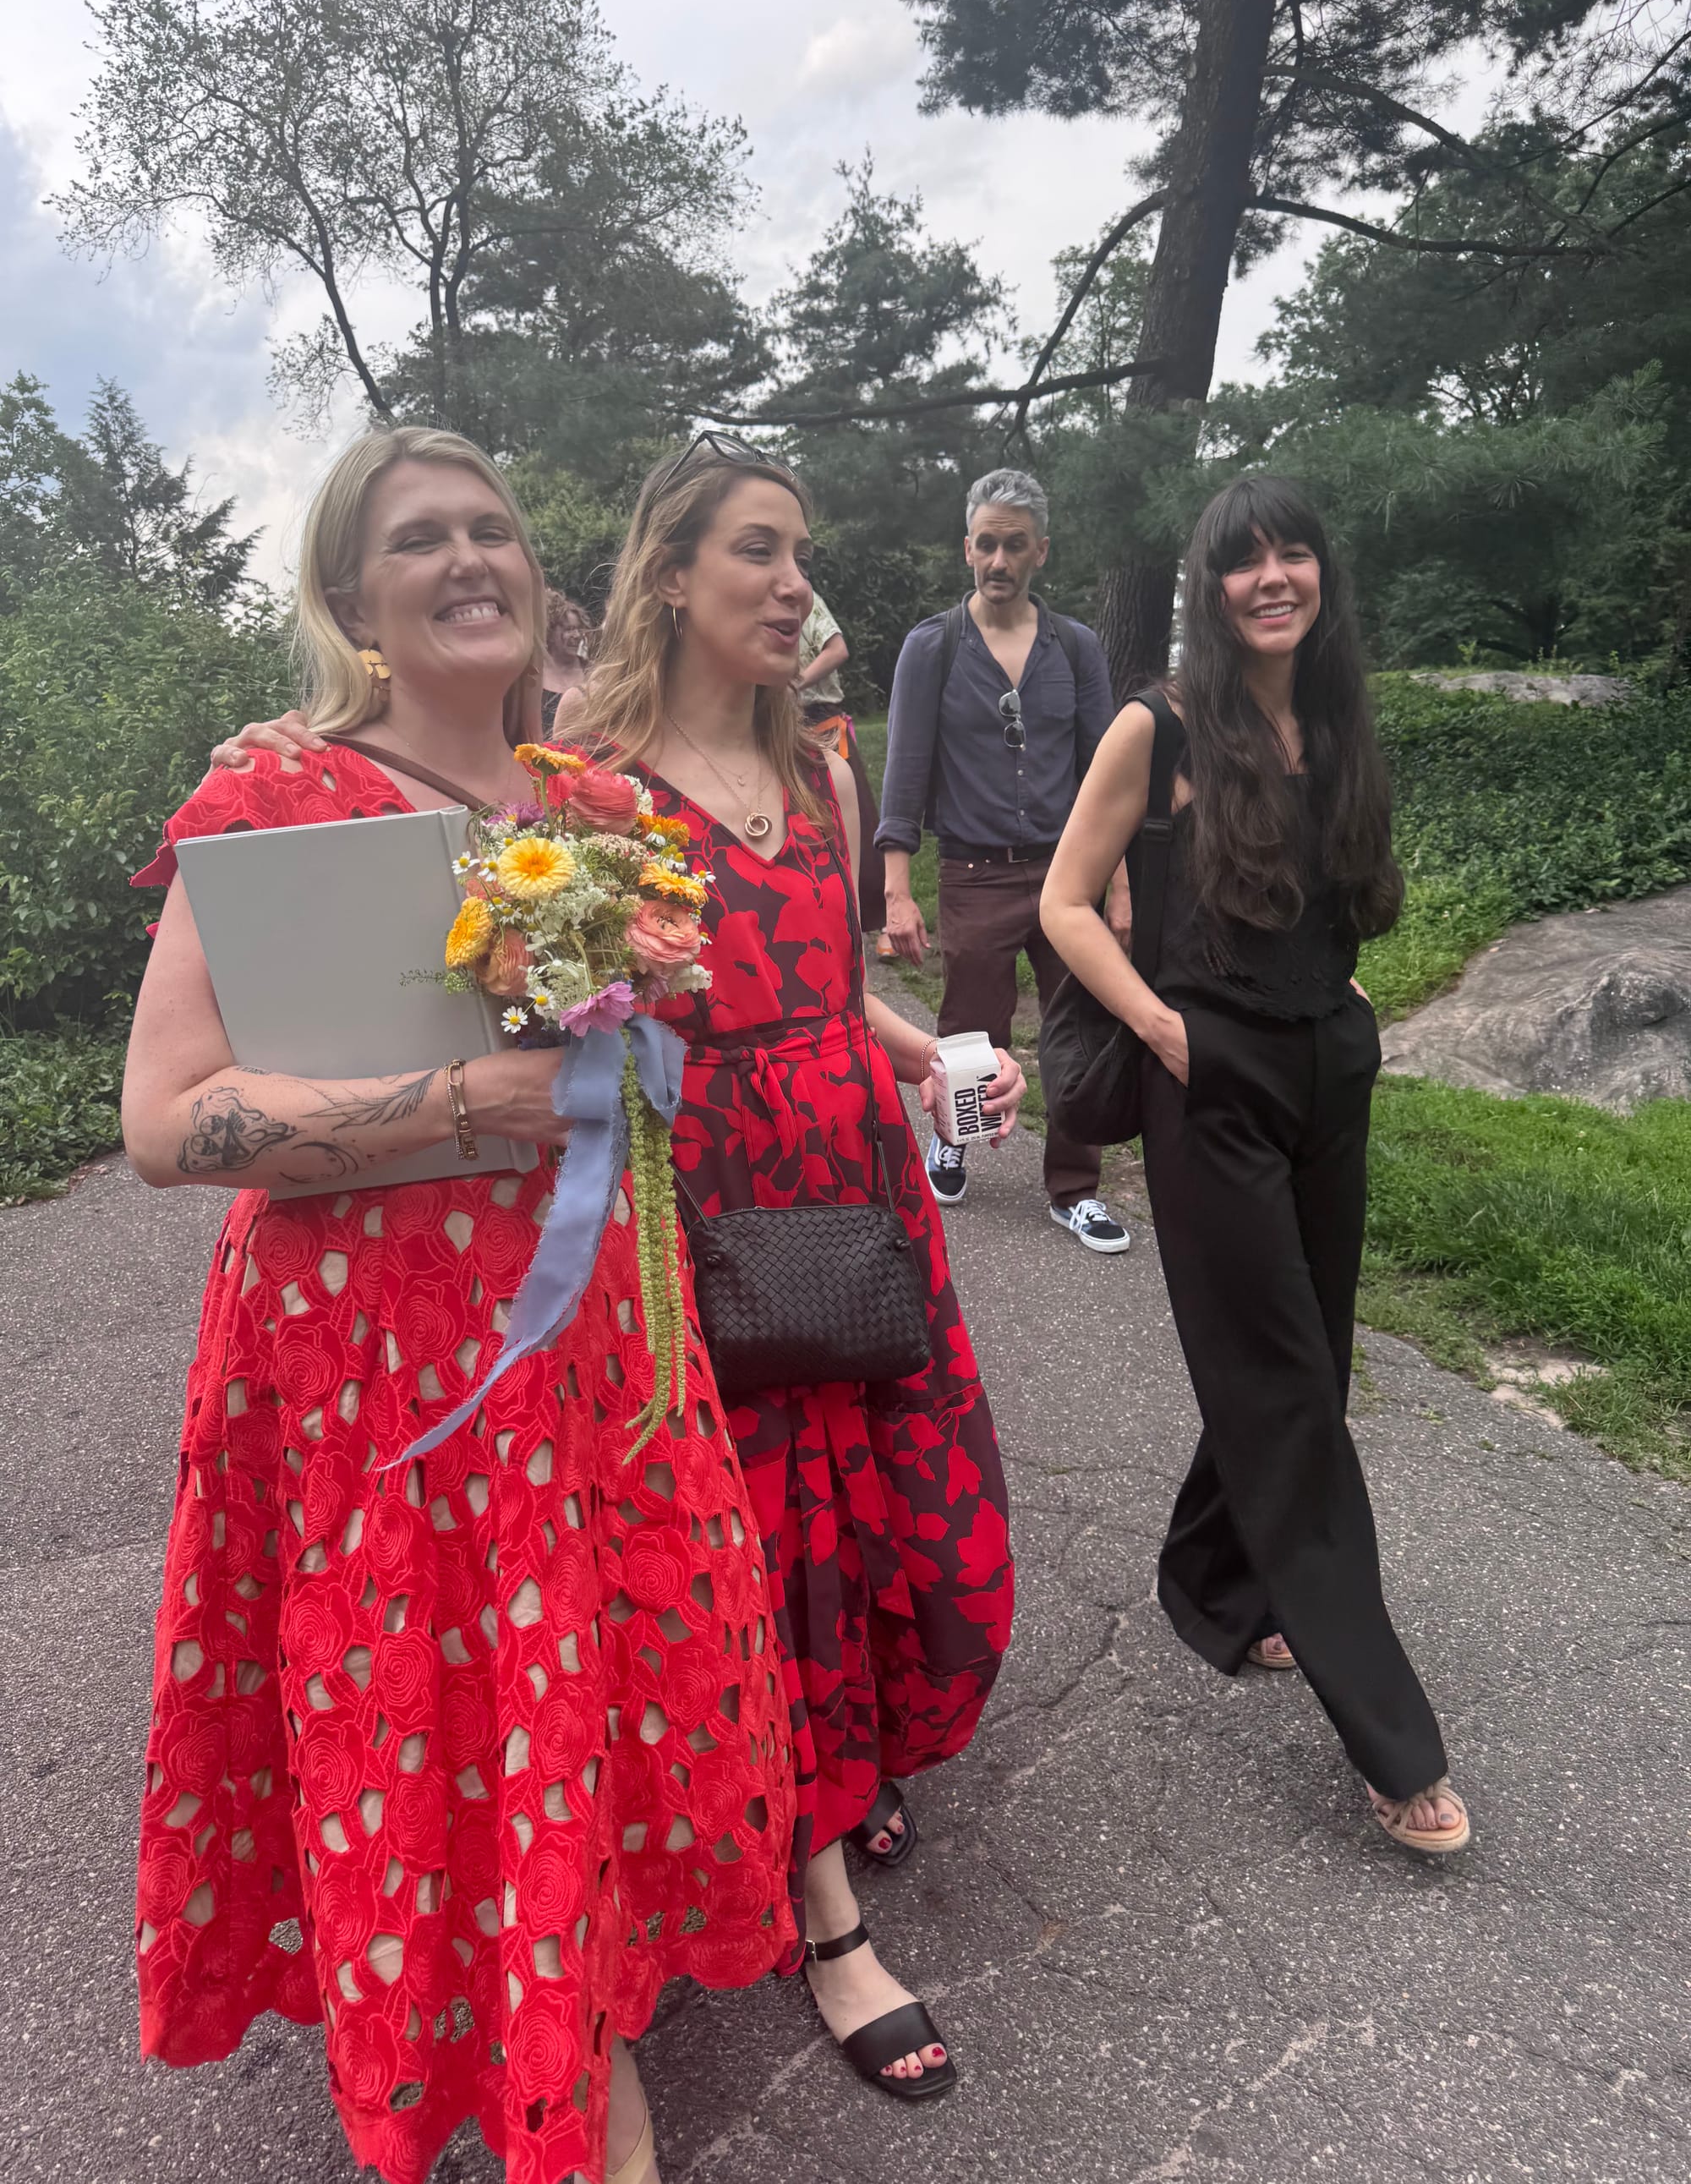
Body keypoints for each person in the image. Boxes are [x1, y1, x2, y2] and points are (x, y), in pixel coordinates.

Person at [211, 434, 1023, 2099]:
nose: (794, 585)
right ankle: (821, 1912)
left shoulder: (823, 772)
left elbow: (819, 976)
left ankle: (824, 1768)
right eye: (758, 551)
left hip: (852, 1179)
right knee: (752, 1548)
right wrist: (294, 748)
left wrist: (929, 1059)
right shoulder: (588, 787)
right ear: (669, 573)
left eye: (801, 553)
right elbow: (481, 932)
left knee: (882, 1516)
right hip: (691, 1207)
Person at [129, 425, 799, 2184]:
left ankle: (577, 2039)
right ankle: (449, 2049)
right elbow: (164, 1122)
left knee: (581, 1688)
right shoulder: (274, 791)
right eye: (419, 536)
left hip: (587, 1333)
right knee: (420, 1702)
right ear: (353, 596)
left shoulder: (583, 807)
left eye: (491, 527)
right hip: (368, 1365)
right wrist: (454, 1102)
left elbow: (630, 1065)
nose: (468, 559)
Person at [1039, 472, 1470, 1856]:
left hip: (1327, 1068)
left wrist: (1347, 1018)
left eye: (1295, 552)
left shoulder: (1335, 719)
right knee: (1284, 1391)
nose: (1273, 576)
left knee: (1308, 1361)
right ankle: (1391, 1738)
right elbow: (1065, 901)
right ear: (1210, 587)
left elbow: (1335, 904)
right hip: (1211, 1085)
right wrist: (1166, 1028)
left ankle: (1214, 1579)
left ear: (1322, 574)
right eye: (1245, 559)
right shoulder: (1158, 725)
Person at [877, 467, 1133, 1251]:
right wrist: (896, 891)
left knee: (1077, 1029)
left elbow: (1106, 774)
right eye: (985, 544)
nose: (998, 560)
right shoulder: (933, 647)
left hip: (1068, 873)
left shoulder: (1076, 647)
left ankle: (1074, 1190)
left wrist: (1120, 885)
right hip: (974, 872)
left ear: (1040, 551)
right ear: (967, 548)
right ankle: (953, 1138)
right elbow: (905, 771)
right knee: (969, 1027)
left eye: (1014, 545)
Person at [792, 584, 888, 939]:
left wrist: (794, 684)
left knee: (853, 818)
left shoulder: (808, 598)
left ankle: (883, 922)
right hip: (779, 720)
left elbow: (837, 650)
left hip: (820, 717)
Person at [541, 588, 593, 737]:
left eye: (579, 629)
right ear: (550, 633)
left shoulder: (594, 674)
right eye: (569, 629)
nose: (576, 635)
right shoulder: (531, 679)